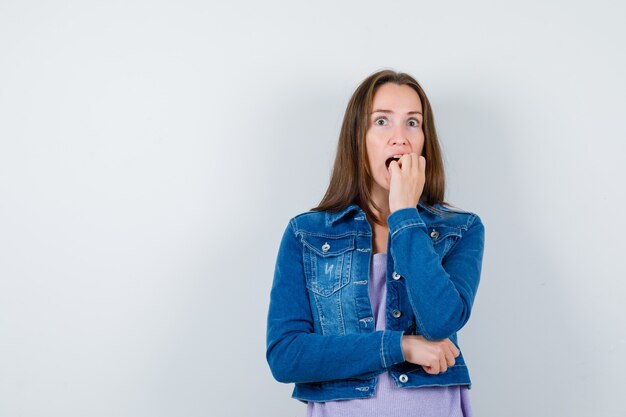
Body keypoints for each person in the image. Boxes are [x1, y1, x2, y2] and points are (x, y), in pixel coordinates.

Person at [266, 69, 485, 417]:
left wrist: (404, 215)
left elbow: (441, 322)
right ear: (358, 138)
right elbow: (286, 356)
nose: (400, 137)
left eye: (413, 123)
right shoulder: (306, 234)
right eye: (382, 121)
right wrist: (399, 346)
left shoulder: (459, 229)